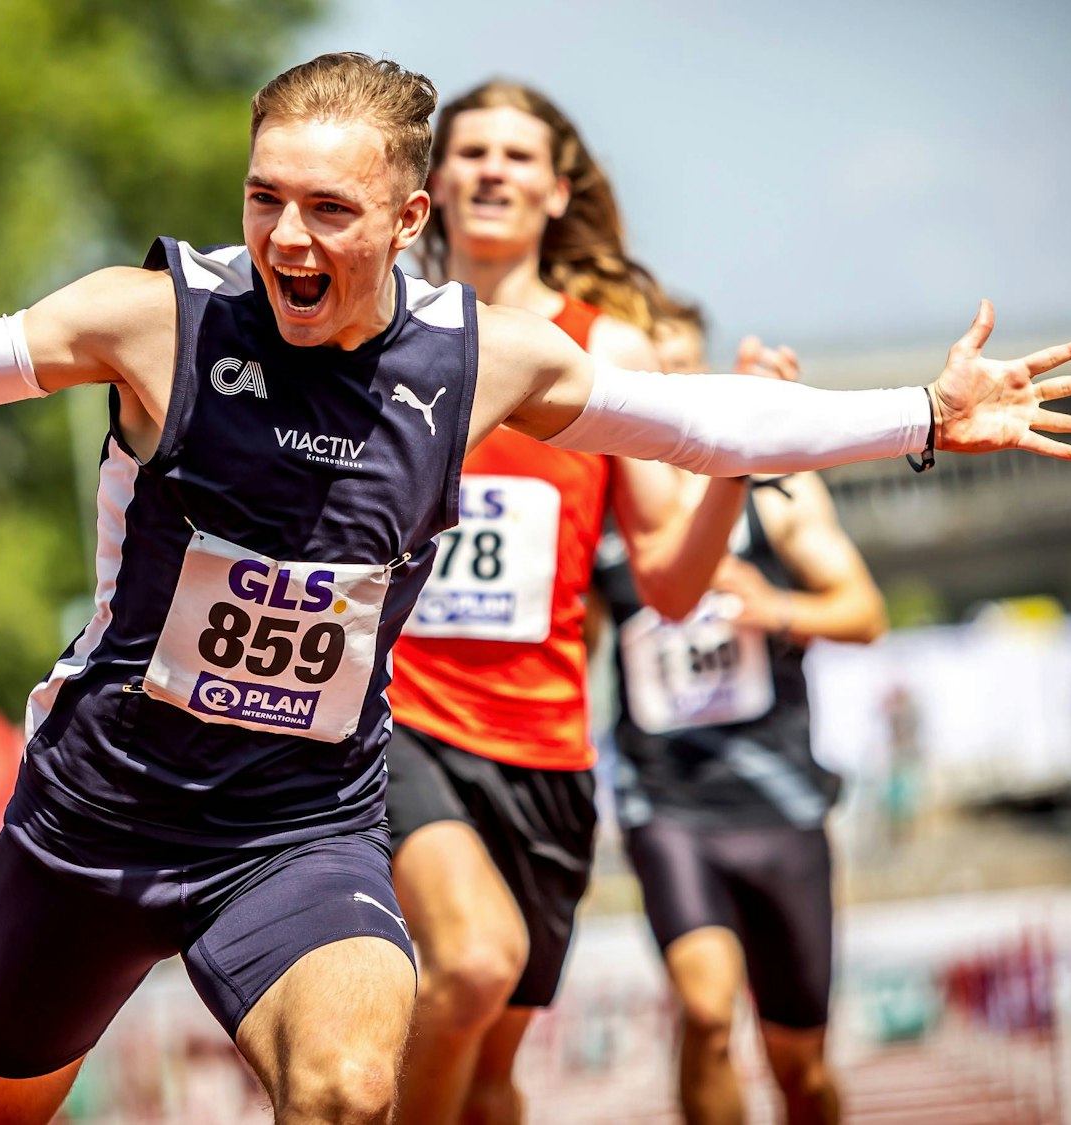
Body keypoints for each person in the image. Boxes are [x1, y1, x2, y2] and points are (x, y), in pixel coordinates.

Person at [0, 52, 1071, 1125]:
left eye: (329, 209)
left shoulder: (484, 354)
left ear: (408, 213)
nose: (289, 237)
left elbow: (702, 418)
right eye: (264, 201)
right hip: (93, 815)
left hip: (298, 829)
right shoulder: (157, 320)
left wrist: (921, 419)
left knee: (353, 1089)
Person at [381, 79, 795, 1125]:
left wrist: (737, 457)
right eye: (467, 151)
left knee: (487, 1078)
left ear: (555, 191)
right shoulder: (379, 326)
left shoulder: (607, 351)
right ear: (430, 183)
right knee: (469, 965)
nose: (488, 171)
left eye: (515, 156)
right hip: (399, 722)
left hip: (547, 757)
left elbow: (664, 577)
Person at [594, 301, 880, 1125]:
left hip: (779, 795)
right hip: (665, 798)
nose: (672, 384)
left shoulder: (778, 486)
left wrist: (775, 608)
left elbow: (863, 611)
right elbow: (565, 640)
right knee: (708, 1011)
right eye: (654, 370)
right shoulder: (609, 506)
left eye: (686, 364)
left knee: (801, 1066)